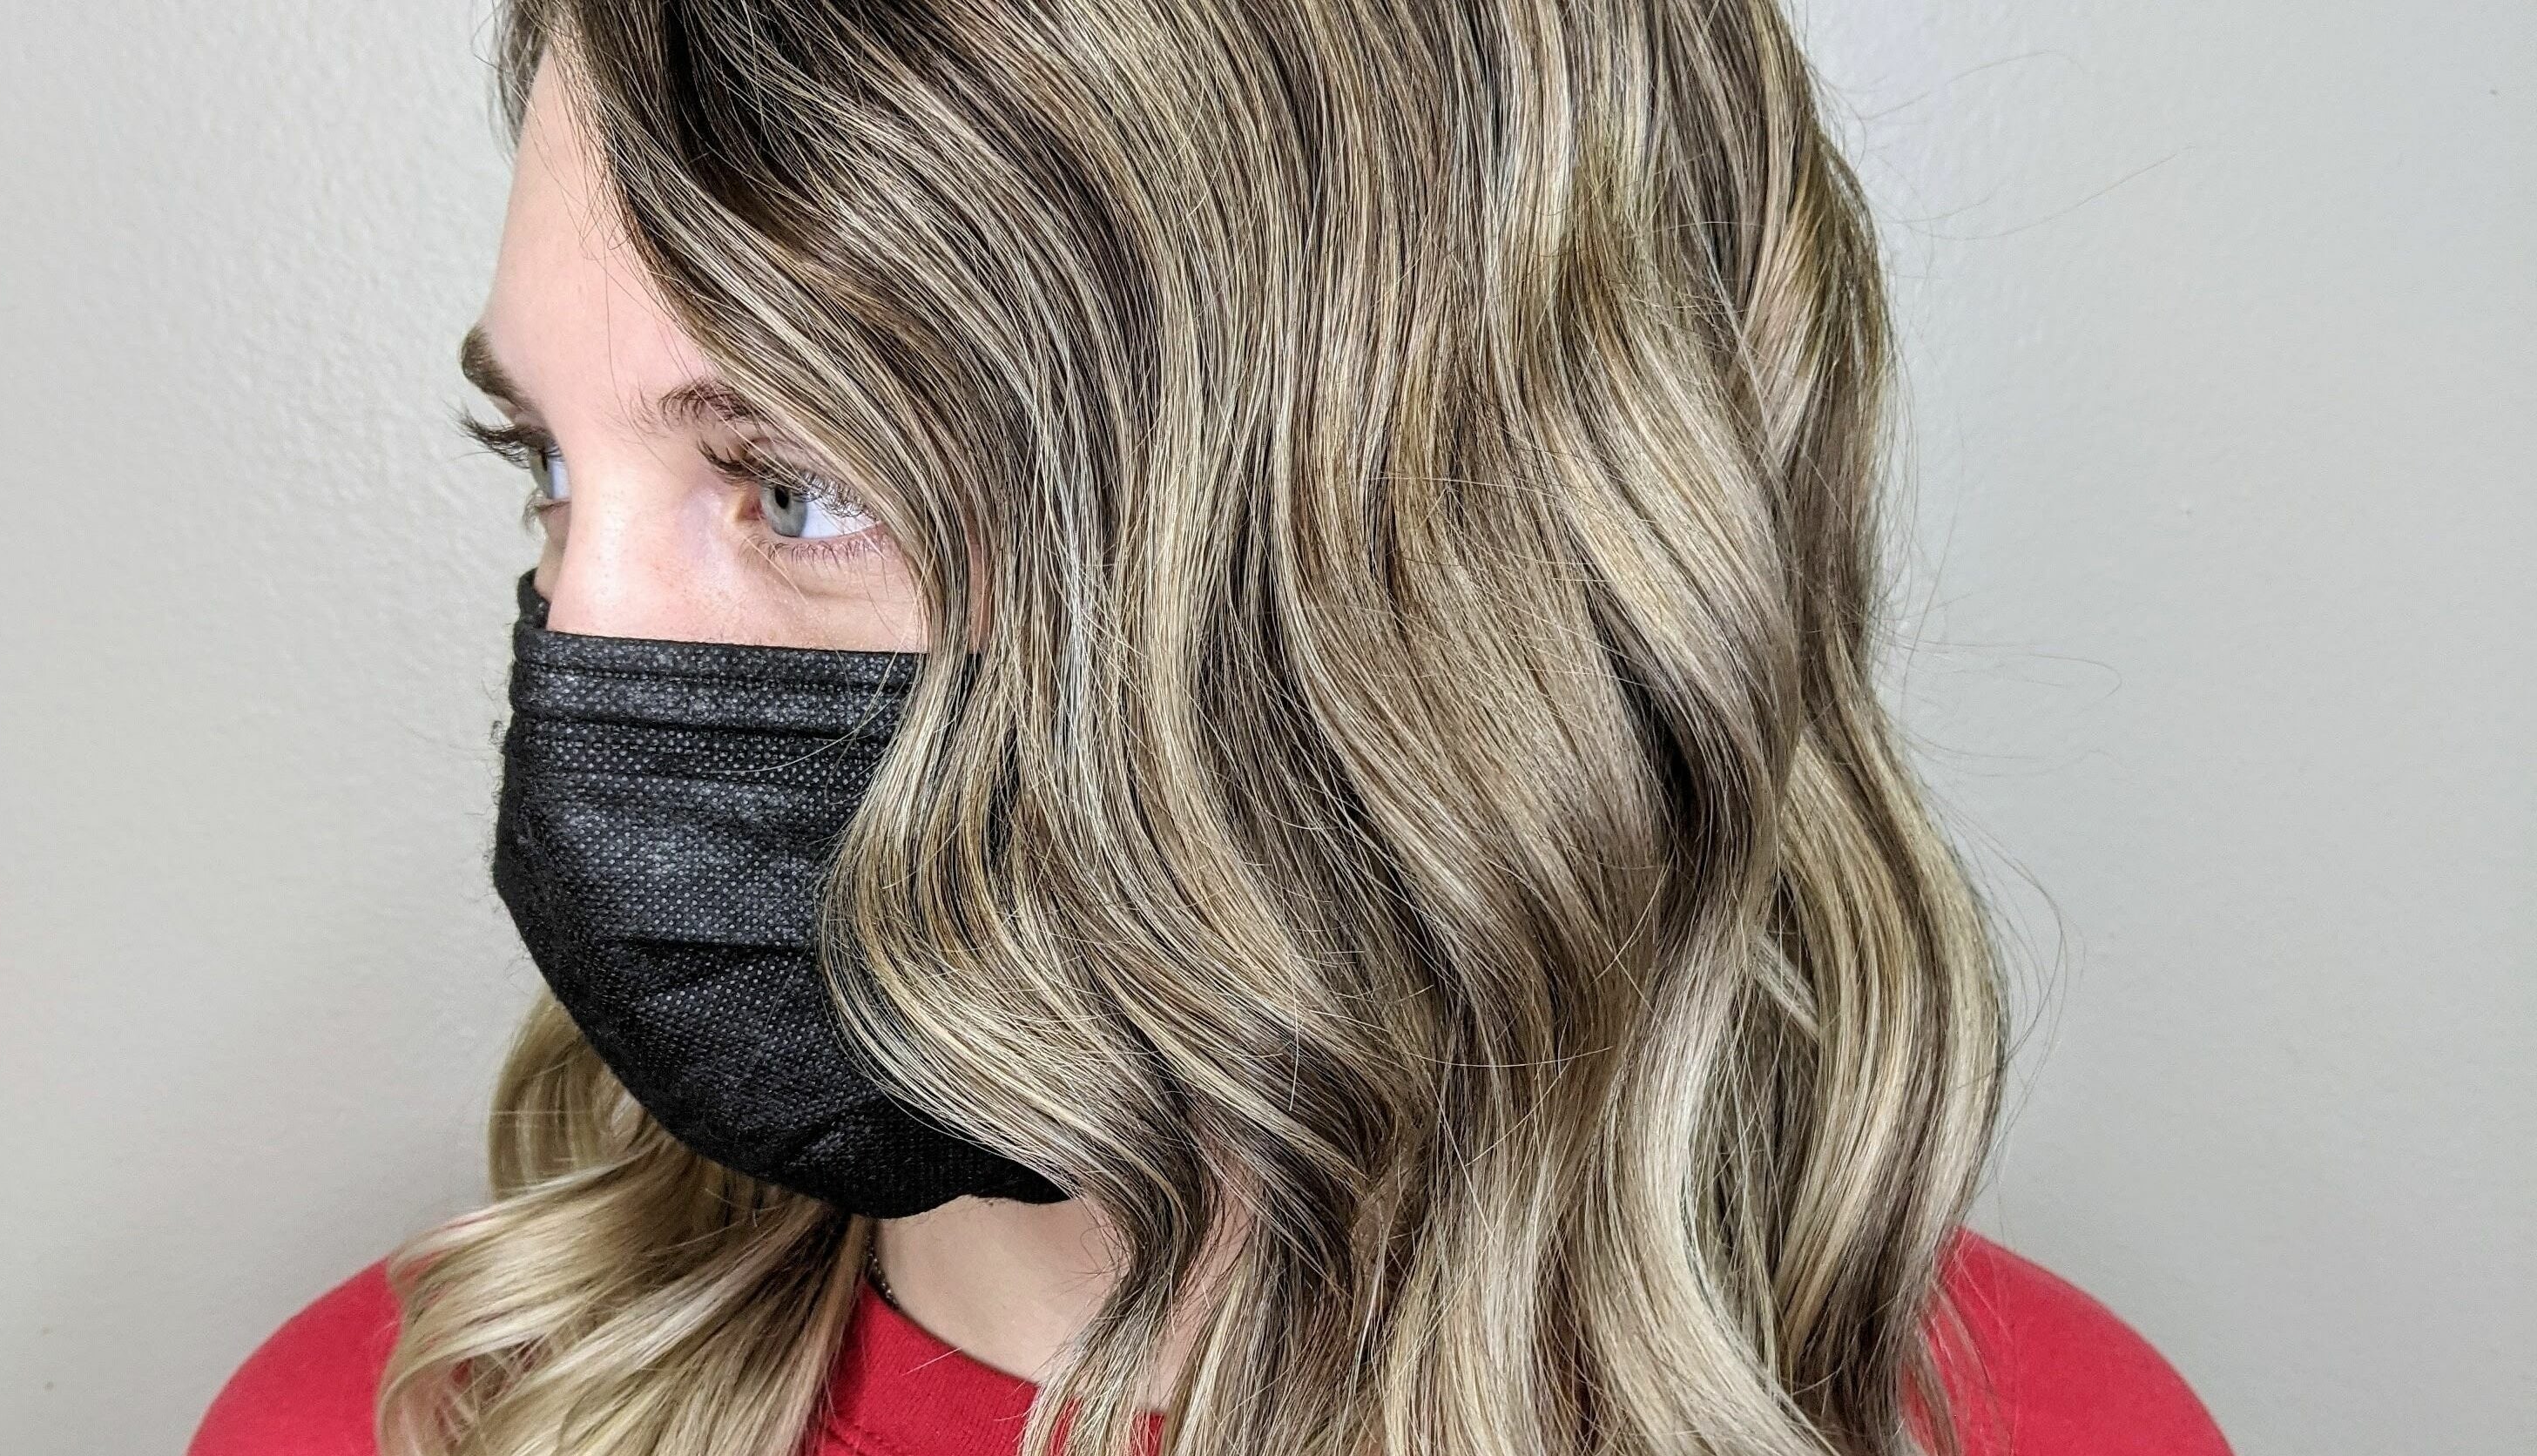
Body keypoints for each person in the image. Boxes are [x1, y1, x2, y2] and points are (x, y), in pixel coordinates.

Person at [189, 2, 2231, 1453]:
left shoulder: (2036, 1425)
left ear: (1408, 570)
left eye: (794, 486)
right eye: (549, 468)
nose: (582, 639)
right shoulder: (402, 1414)